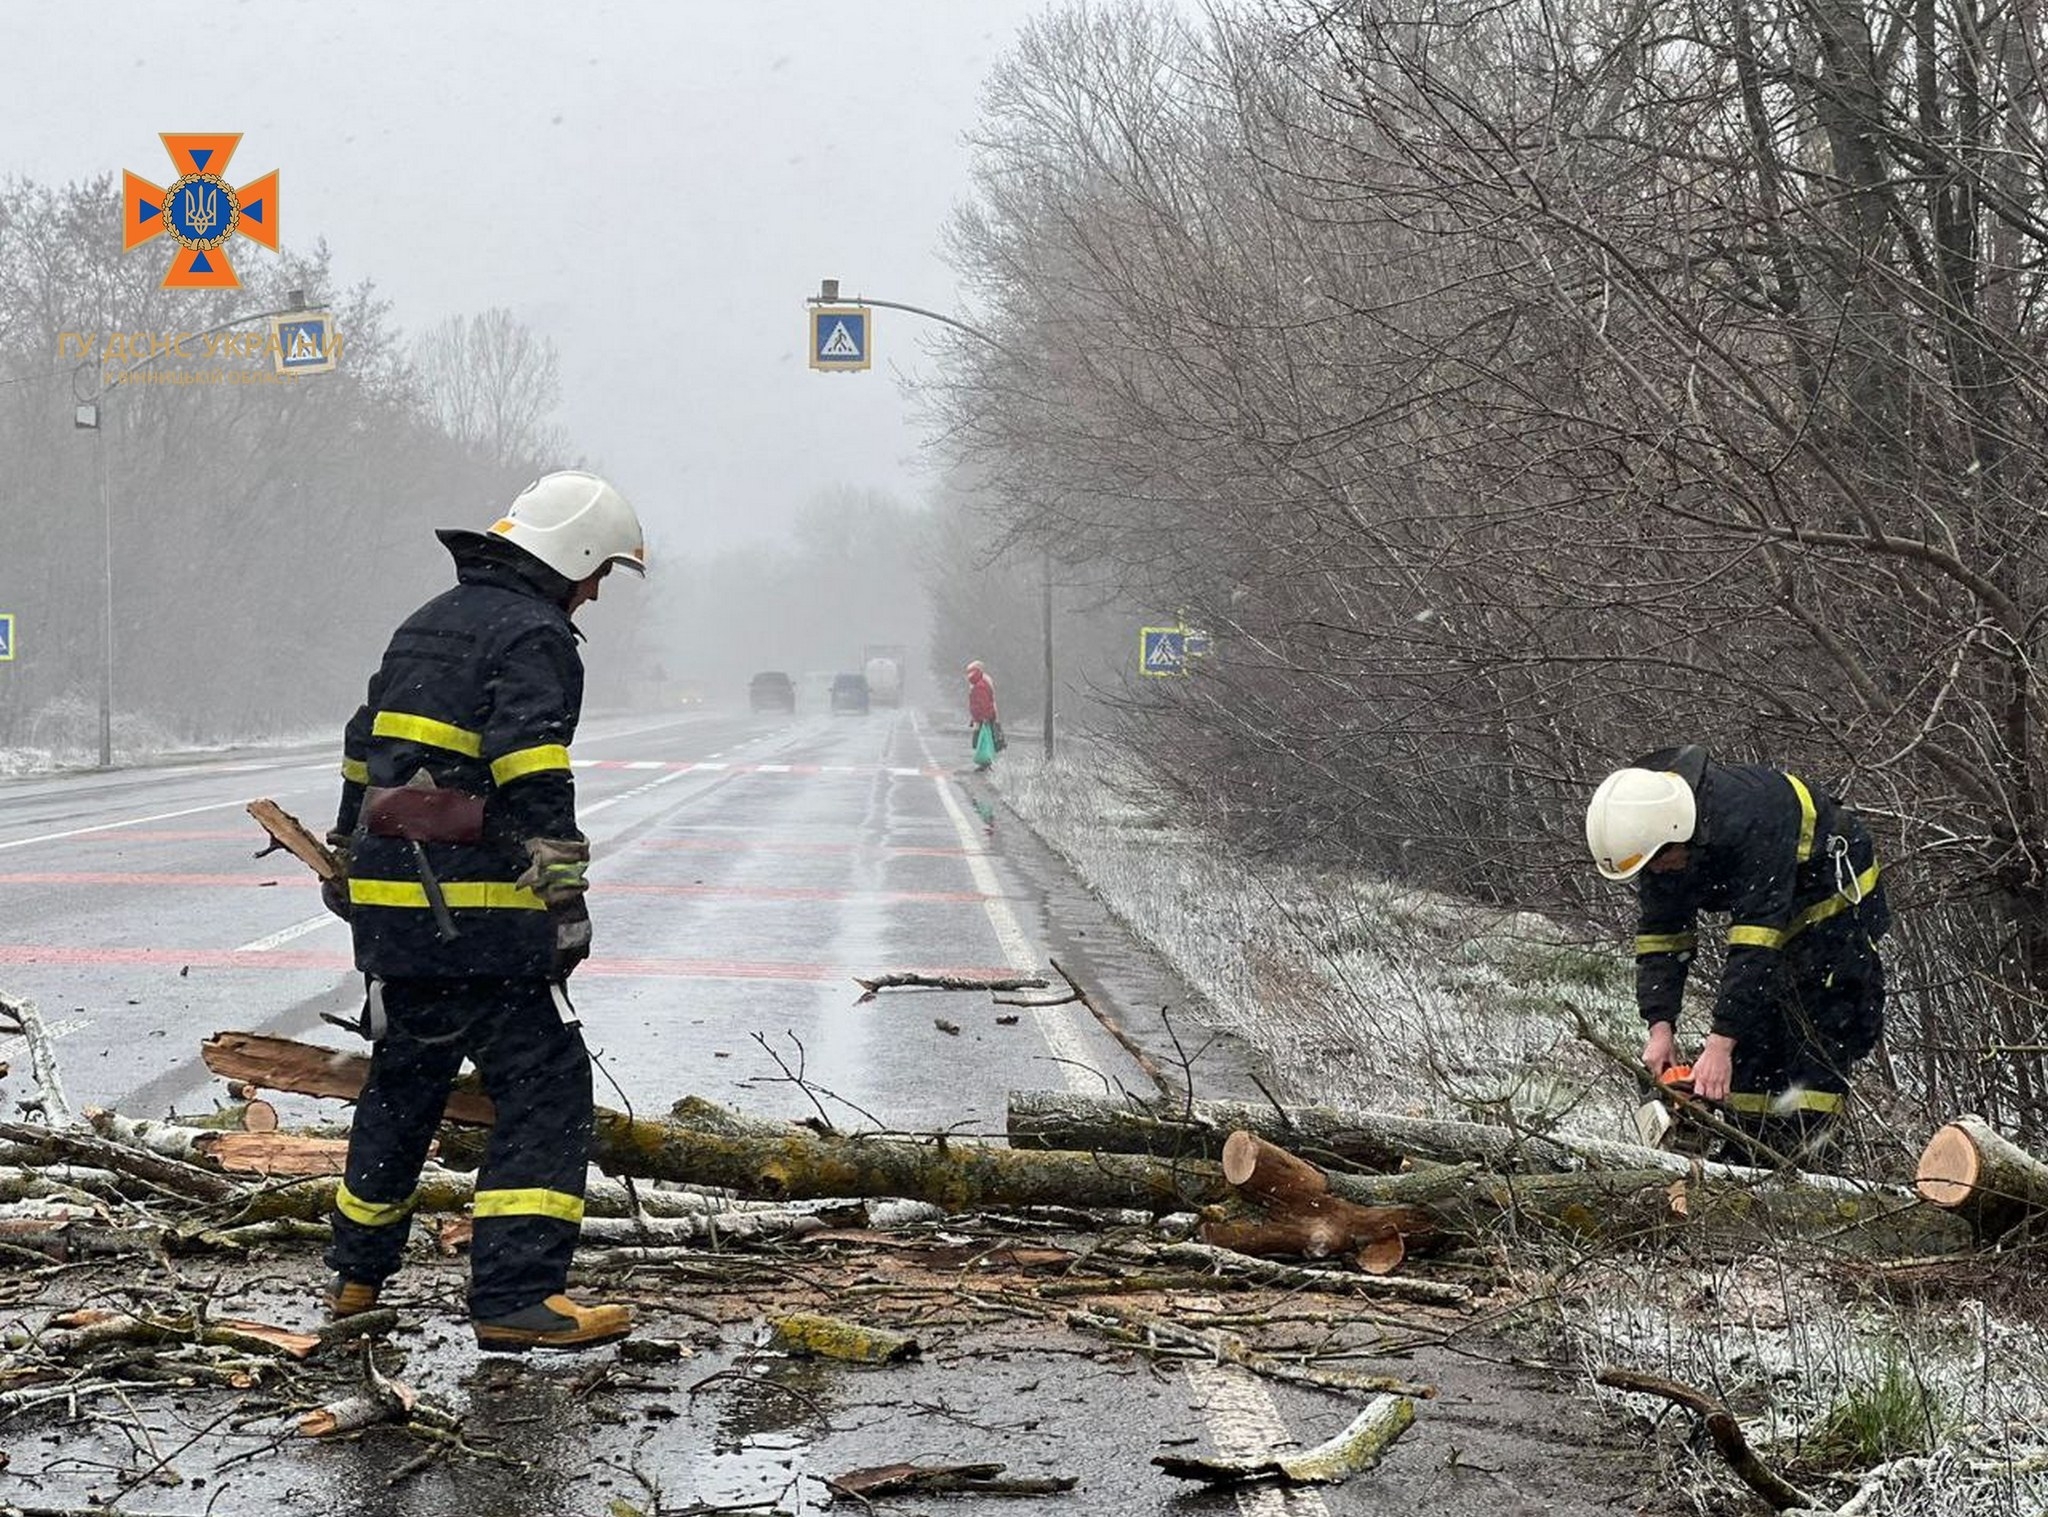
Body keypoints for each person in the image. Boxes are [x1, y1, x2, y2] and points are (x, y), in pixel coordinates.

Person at [319, 470, 645, 1351]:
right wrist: (564, 892)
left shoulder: (425, 621)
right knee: (547, 1087)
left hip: (394, 910)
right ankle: (515, 1294)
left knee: (404, 1087)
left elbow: (364, 746)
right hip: (478, 921)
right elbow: (530, 766)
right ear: (570, 554)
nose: (597, 590)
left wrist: (348, 847)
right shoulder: (535, 634)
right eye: (599, 570)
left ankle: (356, 1274)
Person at [1584, 744, 1889, 1160]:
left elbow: (1755, 942)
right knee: (1755, 1040)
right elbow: (1662, 936)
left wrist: (1719, 1044)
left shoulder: (1748, 819)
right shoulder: (1660, 844)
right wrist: (1660, 1025)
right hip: (1775, 908)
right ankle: (1750, 1157)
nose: (1655, 874)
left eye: (1659, 863)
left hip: (1833, 906)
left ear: (1679, 833)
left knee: (1813, 1041)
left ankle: (1813, 1164)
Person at [966, 659, 1002, 768]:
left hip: (983, 717)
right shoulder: (982, 683)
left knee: (983, 740)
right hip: (984, 716)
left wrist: (983, 717)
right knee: (985, 739)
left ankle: (986, 762)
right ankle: (986, 762)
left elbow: (982, 703)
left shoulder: (979, 685)